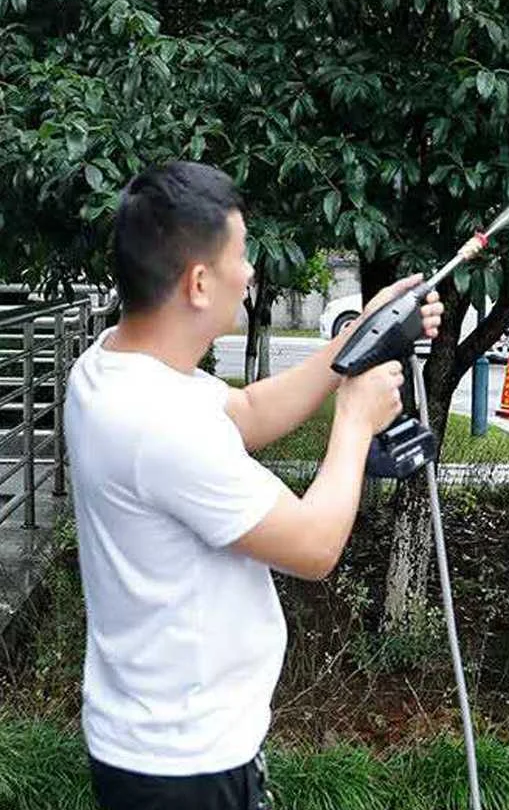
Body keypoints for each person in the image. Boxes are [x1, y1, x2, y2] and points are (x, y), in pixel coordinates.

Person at [64, 161, 442, 810]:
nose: (250, 273)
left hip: (160, 745)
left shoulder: (110, 369)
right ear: (199, 282)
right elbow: (314, 546)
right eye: (241, 256)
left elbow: (248, 411)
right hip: (184, 769)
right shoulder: (160, 424)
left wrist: (360, 336)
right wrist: (354, 422)